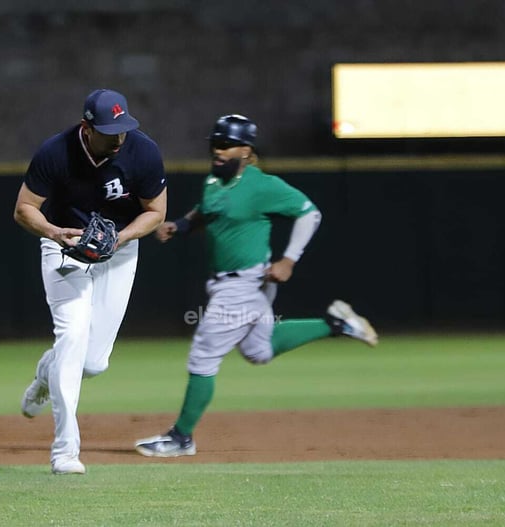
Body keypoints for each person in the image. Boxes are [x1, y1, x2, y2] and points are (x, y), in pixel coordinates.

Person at [134, 114, 377, 458]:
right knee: (258, 351)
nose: (218, 150)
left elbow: (310, 213)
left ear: (246, 150)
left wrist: (289, 259)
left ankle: (181, 437)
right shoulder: (215, 181)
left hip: (245, 285)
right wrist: (181, 226)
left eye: (227, 145)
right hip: (230, 284)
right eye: (215, 144)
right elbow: (207, 212)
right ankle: (336, 323)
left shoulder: (261, 185)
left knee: (203, 355)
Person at [14, 89, 167, 474]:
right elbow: (24, 209)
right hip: (65, 246)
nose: (119, 137)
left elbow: (156, 211)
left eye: (123, 128)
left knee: (94, 362)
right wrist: (52, 230)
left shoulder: (143, 152)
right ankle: (64, 451)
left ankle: (45, 375)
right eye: (109, 130)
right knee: (72, 336)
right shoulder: (56, 152)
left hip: (118, 251)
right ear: (87, 127)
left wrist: (122, 237)